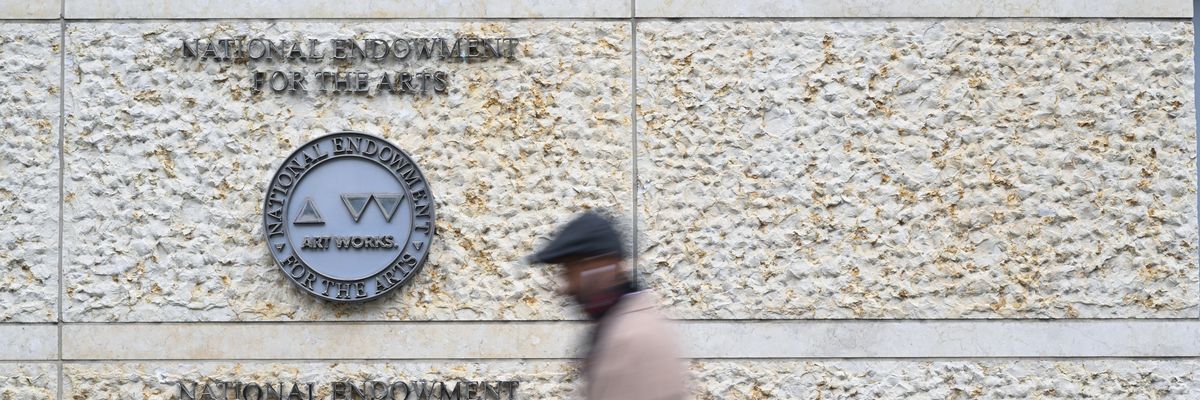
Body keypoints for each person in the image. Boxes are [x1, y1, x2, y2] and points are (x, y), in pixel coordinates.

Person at [528, 211, 688, 400]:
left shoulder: (632, 338)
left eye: (571, 270)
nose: (567, 288)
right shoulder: (620, 325)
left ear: (605, 264)